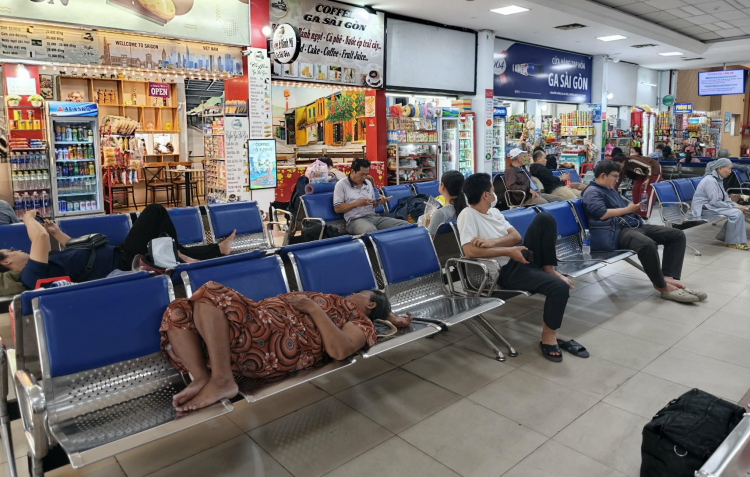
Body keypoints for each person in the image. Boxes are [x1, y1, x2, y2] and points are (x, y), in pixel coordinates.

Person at [161, 281, 413, 411]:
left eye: (361, 293)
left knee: (211, 291)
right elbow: (380, 308)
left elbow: (340, 349)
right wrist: (391, 316)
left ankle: (222, 380)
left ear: (369, 305)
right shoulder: (344, 304)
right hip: (259, 321)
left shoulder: (361, 321)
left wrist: (313, 308)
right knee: (178, 310)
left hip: (278, 337)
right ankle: (203, 378)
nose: (353, 293)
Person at [456, 173, 586, 363]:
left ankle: (549, 269)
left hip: (518, 256)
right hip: (503, 271)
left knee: (545, 218)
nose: (495, 193)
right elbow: (469, 251)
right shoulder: (468, 215)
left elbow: (516, 237)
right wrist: (508, 251)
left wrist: (493, 243)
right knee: (559, 288)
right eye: (492, 190)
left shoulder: (494, 212)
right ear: (485, 195)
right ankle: (548, 336)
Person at [0, 204, 236, 290]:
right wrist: (28, 218)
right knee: (154, 212)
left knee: (162, 242)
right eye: (11, 251)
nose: (18, 250)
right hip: (124, 262)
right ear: (6, 262)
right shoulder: (31, 275)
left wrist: (56, 233)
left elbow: (75, 248)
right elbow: (39, 238)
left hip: (118, 253)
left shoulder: (41, 267)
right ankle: (180, 256)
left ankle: (209, 252)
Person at [581, 161, 706, 303]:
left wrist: (629, 208)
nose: (616, 180)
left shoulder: (609, 189)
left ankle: (668, 277)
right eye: (614, 176)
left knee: (676, 235)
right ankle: (662, 286)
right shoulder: (592, 192)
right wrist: (627, 209)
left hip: (631, 226)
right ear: (603, 175)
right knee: (646, 244)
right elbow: (601, 214)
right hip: (615, 232)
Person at [333, 158, 407, 234]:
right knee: (371, 232)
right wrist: (357, 203)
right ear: (352, 171)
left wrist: (378, 202)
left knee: (405, 225)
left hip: (373, 217)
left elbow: (373, 204)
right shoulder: (341, 185)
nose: (364, 177)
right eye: (361, 174)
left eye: (366, 174)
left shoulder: (368, 183)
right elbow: (337, 208)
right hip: (355, 220)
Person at [692, 158, 749, 250]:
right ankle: (732, 242)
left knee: (738, 211)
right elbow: (715, 201)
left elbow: (725, 198)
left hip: (711, 206)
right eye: (729, 169)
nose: (730, 172)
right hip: (703, 208)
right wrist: (735, 207)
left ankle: (724, 236)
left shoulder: (718, 180)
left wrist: (736, 205)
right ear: (720, 168)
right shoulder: (710, 180)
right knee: (736, 213)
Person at [611, 153, 662, 219]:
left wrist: (648, 178)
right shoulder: (620, 168)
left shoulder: (633, 160)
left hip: (653, 170)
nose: (617, 167)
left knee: (647, 190)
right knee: (635, 189)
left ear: (623, 162)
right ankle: (635, 210)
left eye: (618, 165)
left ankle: (644, 215)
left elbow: (648, 166)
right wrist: (613, 191)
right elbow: (618, 180)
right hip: (641, 174)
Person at [423, 170, 464, 236]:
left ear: (442, 186)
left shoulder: (440, 214)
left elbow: (429, 239)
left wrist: (425, 225)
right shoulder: (465, 208)